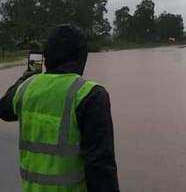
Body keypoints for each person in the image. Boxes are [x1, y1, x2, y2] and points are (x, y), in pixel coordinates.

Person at [0, 25, 119, 192]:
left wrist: (27, 76)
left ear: (47, 57)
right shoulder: (91, 95)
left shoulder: (26, 88)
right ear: (81, 57)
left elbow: (4, 110)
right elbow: (100, 166)